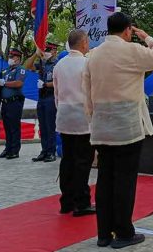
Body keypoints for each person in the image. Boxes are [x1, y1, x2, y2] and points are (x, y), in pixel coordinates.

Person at [83, 12, 153, 248]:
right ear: (128, 30)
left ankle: (103, 234)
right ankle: (123, 233)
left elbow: (87, 93)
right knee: (124, 181)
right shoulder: (132, 51)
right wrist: (149, 38)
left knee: (104, 180)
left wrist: (94, 119)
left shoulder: (93, 55)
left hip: (102, 125)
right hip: (126, 126)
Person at [53, 29, 95, 216]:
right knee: (83, 161)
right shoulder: (87, 64)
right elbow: (92, 92)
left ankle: (67, 200)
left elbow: (56, 93)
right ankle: (82, 202)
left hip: (64, 115)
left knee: (68, 159)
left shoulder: (59, 65)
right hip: (82, 117)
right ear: (84, 43)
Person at [25, 41, 59, 162]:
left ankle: (51, 152)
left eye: (49, 50)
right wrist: (35, 54)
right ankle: (44, 151)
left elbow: (58, 82)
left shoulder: (57, 65)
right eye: (45, 50)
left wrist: (45, 84)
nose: (47, 53)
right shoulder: (42, 64)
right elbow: (27, 66)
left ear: (55, 51)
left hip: (51, 97)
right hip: (42, 97)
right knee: (42, 126)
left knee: (50, 126)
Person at [0, 48, 26, 159]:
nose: (10, 59)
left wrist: (5, 83)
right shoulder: (5, 71)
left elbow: (19, 83)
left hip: (14, 102)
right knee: (7, 127)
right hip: (5, 103)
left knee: (14, 127)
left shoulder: (20, 69)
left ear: (18, 58)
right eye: (10, 57)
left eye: (12, 57)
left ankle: (14, 150)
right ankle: (7, 149)